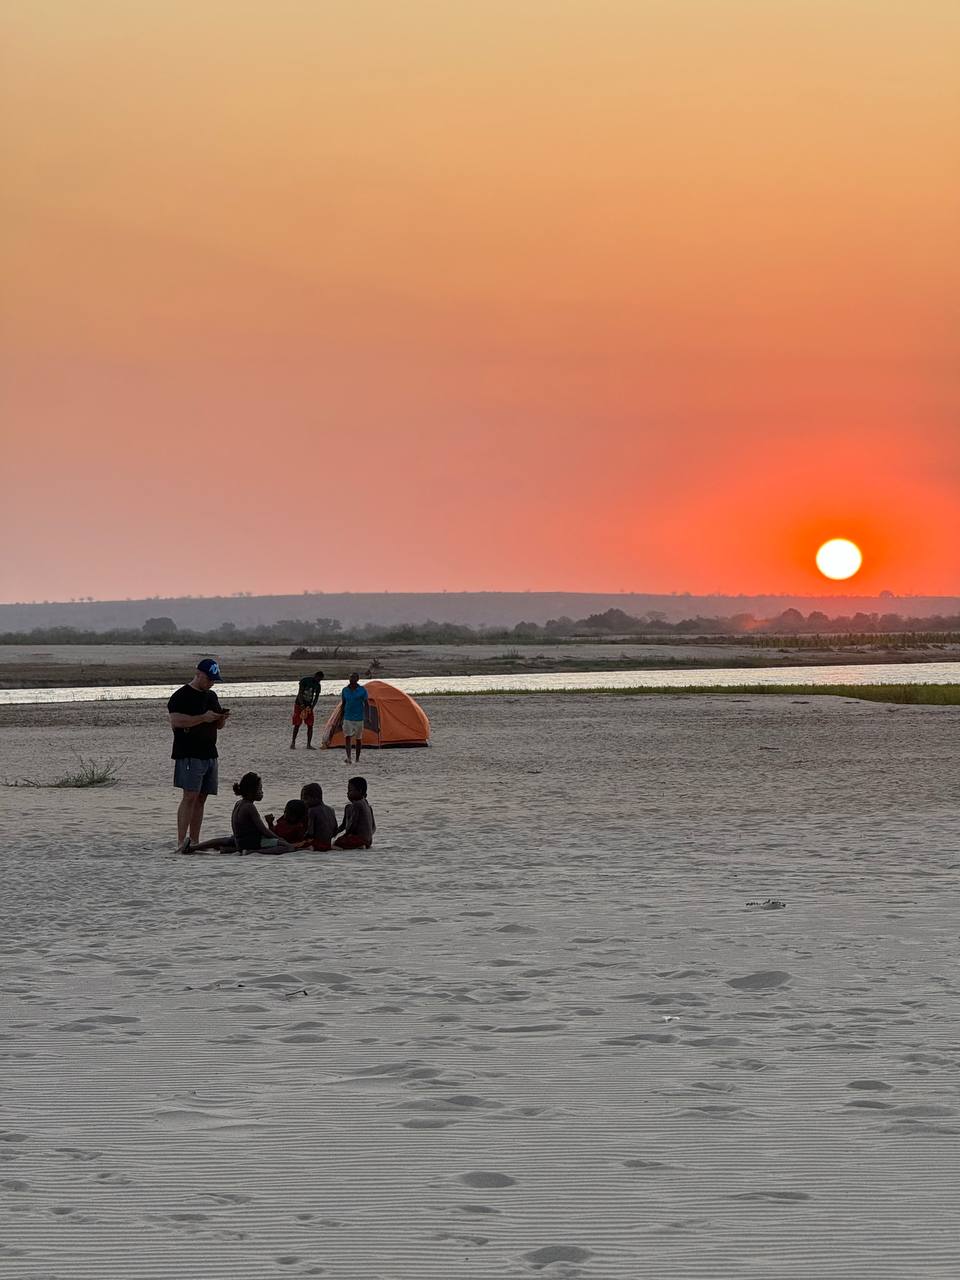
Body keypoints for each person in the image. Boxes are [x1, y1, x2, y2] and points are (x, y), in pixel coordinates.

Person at [168, 658, 230, 853]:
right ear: (199, 674)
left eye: (214, 680)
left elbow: (219, 726)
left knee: (202, 797)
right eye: (209, 679)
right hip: (189, 752)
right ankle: (181, 841)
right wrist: (203, 718)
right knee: (190, 796)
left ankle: (194, 840)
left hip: (210, 753)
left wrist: (220, 718)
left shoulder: (211, 696)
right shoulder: (181, 696)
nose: (211, 683)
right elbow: (176, 721)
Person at [184, 772, 300, 855]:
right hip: (251, 843)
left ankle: (194, 847)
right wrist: (280, 839)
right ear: (251, 792)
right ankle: (253, 852)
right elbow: (263, 830)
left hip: (239, 840)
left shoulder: (239, 803)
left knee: (224, 840)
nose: (262, 792)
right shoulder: (249, 807)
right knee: (287, 847)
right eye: (259, 789)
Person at [333, 776, 376, 849]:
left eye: (350, 790)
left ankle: (359, 845)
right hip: (368, 841)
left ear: (360, 791)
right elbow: (373, 827)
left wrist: (346, 835)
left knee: (337, 843)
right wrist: (335, 833)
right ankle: (361, 845)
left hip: (358, 839)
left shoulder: (357, 804)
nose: (347, 793)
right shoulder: (368, 806)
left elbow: (353, 824)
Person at [290, 670, 324, 751]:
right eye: (318, 679)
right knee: (297, 724)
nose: (319, 681)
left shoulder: (318, 685)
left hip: (308, 706)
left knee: (310, 724)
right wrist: (301, 705)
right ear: (315, 676)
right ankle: (293, 742)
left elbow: (316, 697)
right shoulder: (305, 681)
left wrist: (312, 706)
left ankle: (309, 744)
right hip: (299, 704)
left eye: (320, 680)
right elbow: (300, 693)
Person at [339, 672, 369, 763]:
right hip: (347, 717)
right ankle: (349, 757)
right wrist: (340, 718)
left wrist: (368, 717)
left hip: (359, 718)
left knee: (358, 739)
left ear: (357, 679)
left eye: (353, 677)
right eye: (350, 677)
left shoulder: (362, 690)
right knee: (347, 737)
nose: (351, 679)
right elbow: (343, 704)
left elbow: (366, 704)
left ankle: (357, 758)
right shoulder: (345, 690)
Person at [301, 782, 338, 851]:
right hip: (328, 843)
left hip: (316, 844)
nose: (303, 802)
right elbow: (335, 831)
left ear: (315, 797)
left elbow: (310, 833)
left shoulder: (312, 810)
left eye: (305, 799)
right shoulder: (331, 809)